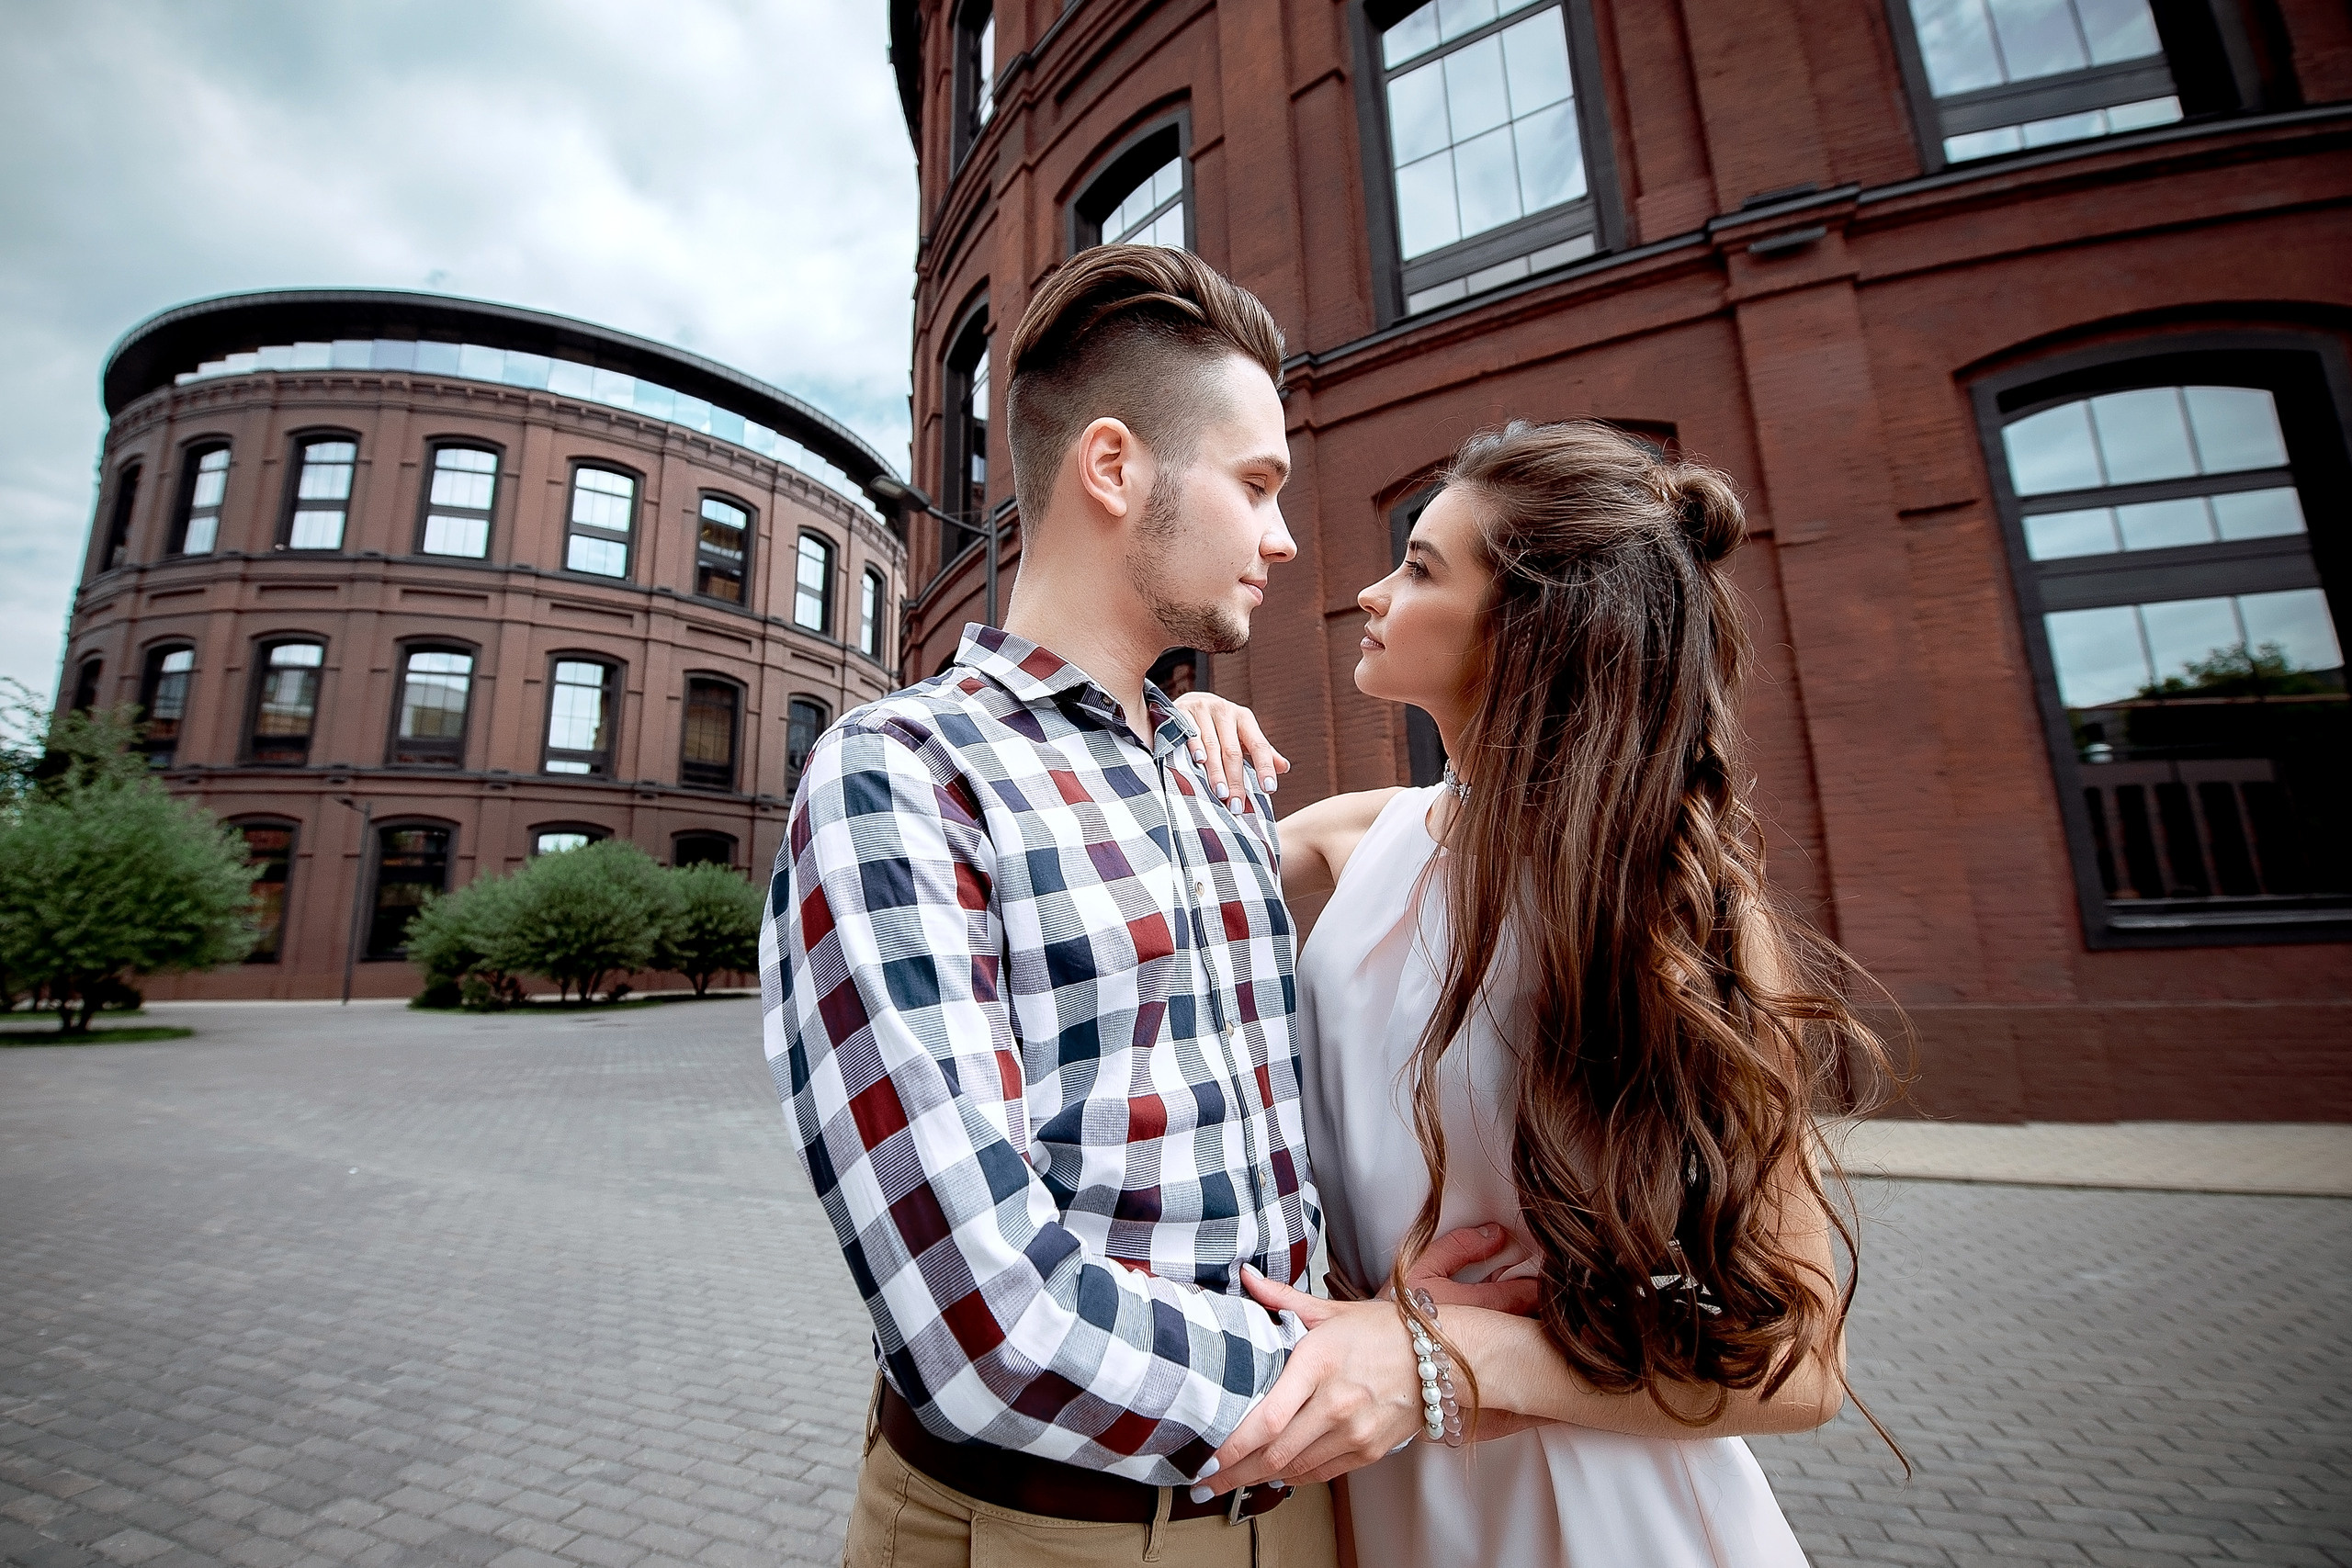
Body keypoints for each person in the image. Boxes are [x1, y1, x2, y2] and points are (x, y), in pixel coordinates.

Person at [1175, 421, 1894, 1566]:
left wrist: (1438, 1359)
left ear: (1529, 633)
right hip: (1374, 1475)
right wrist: (1171, 739)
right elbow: (1142, 895)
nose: (1367, 591)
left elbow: (1802, 1370)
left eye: (1417, 570)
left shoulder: (1662, 905)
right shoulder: (1366, 836)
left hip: (1586, 1503)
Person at [762, 244, 1348, 1568]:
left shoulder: (1210, 770)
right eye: (1256, 483)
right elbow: (981, 1314)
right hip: (1051, 1524)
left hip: (1304, 1506)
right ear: (1113, 466)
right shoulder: (903, 774)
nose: (1284, 533)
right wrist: (1356, 1369)